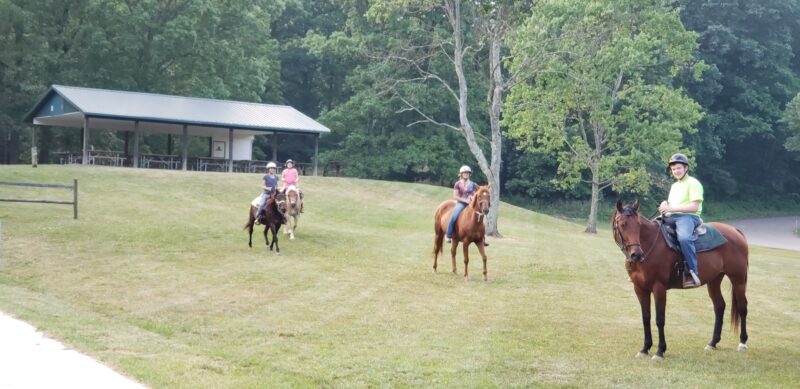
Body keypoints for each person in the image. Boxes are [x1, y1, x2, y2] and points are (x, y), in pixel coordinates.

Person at [658, 153, 703, 288]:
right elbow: (672, 203)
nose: (676, 171)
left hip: (688, 217)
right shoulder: (674, 186)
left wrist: (672, 207)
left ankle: (692, 272)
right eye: (673, 169)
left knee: (684, 238)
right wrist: (664, 205)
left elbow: (694, 207)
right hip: (672, 216)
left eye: (678, 168)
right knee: (650, 229)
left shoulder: (694, 183)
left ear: (686, 168)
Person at [445, 165, 486, 246]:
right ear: (461, 174)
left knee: (480, 217)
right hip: (461, 203)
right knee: (454, 216)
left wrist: (486, 189)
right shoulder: (457, 184)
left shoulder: (473, 184)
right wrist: (465, 200)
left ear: (469, 174)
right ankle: (448, 235)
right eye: (464, 173)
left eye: (467, 173)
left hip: (471, 204)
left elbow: (480, 190)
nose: (466, 174)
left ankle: (482, 238)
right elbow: (455, 196)